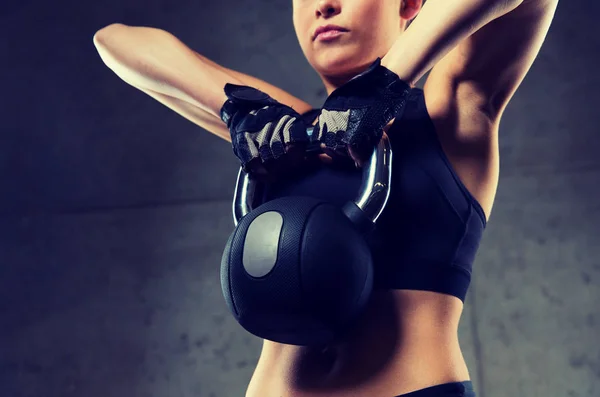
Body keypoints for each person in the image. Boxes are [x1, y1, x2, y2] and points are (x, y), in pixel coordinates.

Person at [93, 0, 559, 395]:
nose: (324, 3)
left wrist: (389, 80)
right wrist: (238, 109)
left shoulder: (453, 107)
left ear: (411, 4)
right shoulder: (289, 130)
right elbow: (114, 41)